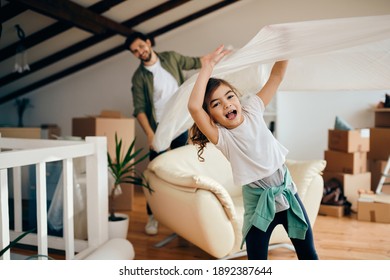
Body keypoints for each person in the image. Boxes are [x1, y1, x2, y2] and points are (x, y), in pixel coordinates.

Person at [187, 45, 318, 260]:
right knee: (256, 261)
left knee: (308, 253)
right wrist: (207, 67)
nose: (227, 105)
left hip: (287, 193)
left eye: (230, 97)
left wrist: (286, 45)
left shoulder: (253, 109)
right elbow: (193, 107)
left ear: (238, 99)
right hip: (258, 203)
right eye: (217, 104)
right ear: (210, 116)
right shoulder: (222, 137)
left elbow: (276, 76)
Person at [124, 32, 203, 235]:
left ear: (148, 43)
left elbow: (197, 62)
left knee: (182, 171)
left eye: (141, 46)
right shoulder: (138, 77)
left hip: (180, 125)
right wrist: (151, 135)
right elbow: (139, 109)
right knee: (155, 173)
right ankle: (152, 217)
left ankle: (182, 217)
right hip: (159, 128)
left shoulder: (171, 58)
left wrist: (219, 57)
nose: (140, 52)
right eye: (135, 51)